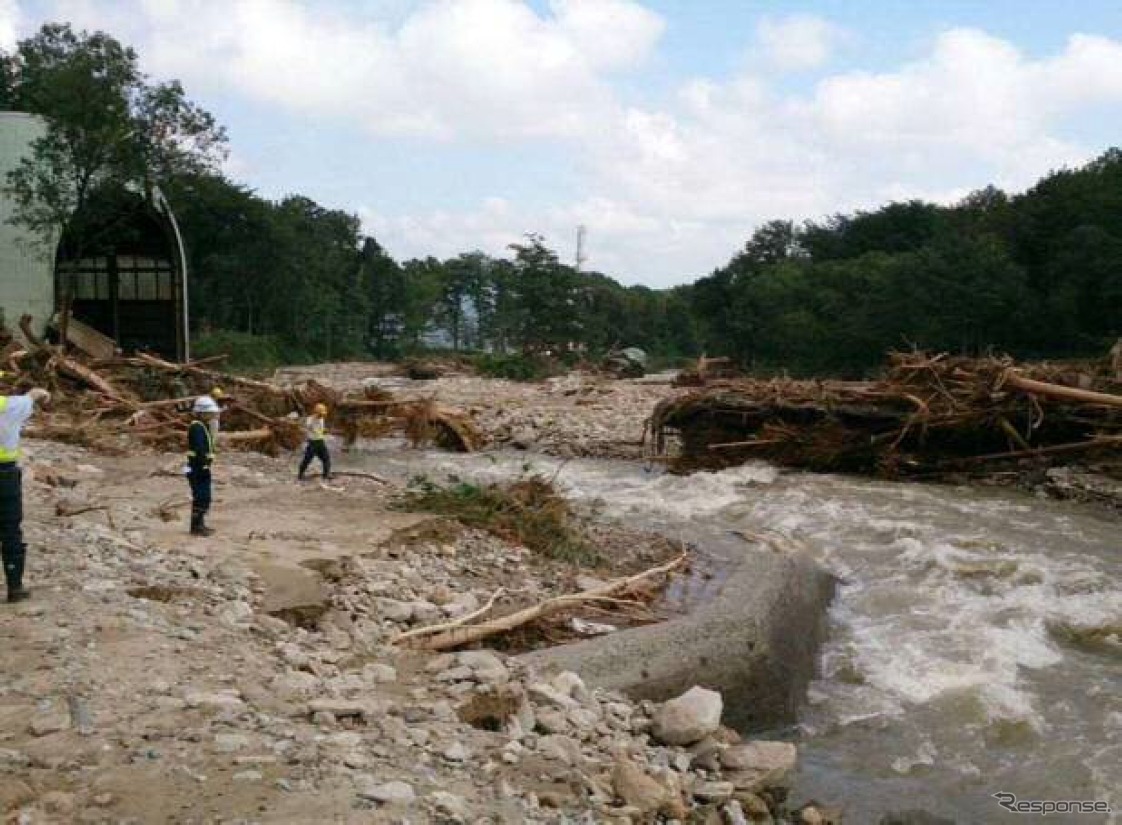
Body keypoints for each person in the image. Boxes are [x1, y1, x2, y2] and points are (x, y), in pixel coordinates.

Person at [1, 387, 51, 602]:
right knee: (10, 531)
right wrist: (39, 393)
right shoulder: (11, 405)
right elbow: (33, 396)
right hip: (5, 477)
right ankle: (15, 587)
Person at [187, 395, 221, 536]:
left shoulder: (202, 426)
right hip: (197, 467)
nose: (212, 415)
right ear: (201, 412)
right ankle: (196, 526)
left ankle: (200, 524)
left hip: (200, 467)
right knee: (201, 496)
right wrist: (204, 462)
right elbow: (200, 449)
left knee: (204, 496)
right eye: (209, 413)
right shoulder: (197, 427)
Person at [297, 403, 331, 481]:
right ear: (316, 412)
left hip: (320, 441)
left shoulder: (322, 419)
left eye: (323, 414)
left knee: (326, 459)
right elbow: (306, 427)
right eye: (320, 414)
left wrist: (324, 431)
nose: (322, 415)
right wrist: (313, 419)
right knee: (307, 459)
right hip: (313, 442)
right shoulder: (310, 419)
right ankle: (300, 475)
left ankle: (326, 475)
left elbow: (321, 429)